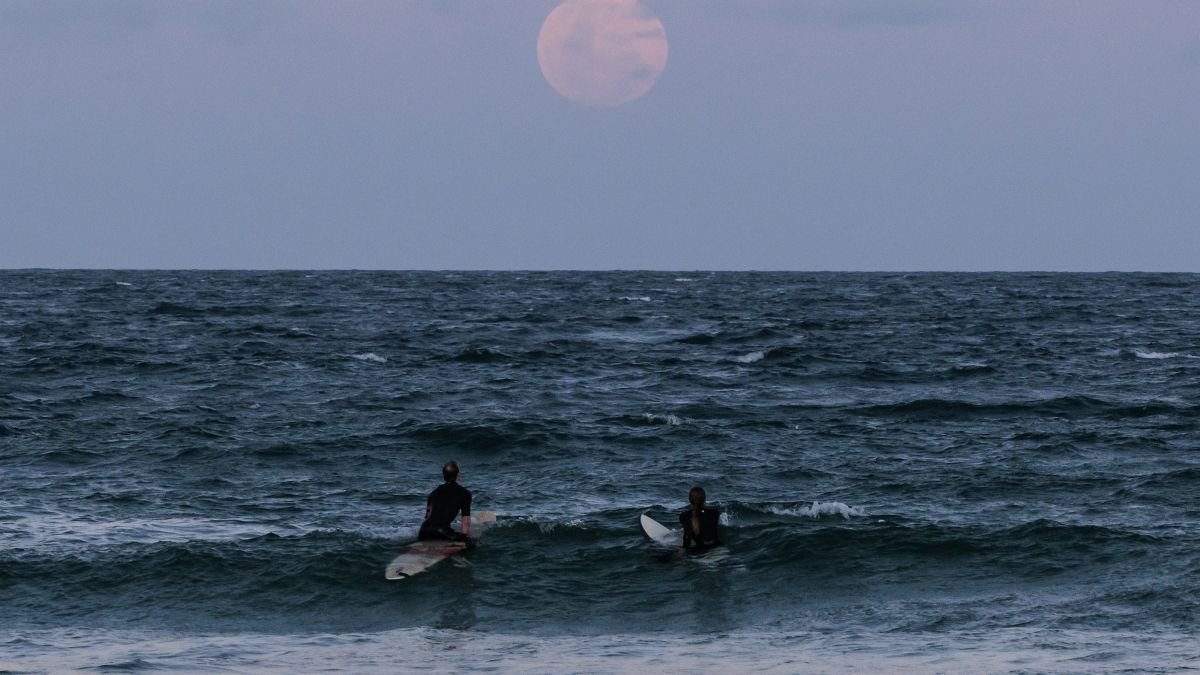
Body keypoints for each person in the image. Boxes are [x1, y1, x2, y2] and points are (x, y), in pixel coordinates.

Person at [418, 460, 472, 543]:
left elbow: (428, 516)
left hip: (423, 530)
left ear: (444, 476)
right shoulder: (465, 493)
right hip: (441, 532)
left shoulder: (433, 493)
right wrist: (464, 538)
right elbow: (466, 522)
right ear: (458, 475)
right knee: (471, 543)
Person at [679, 486, 720, 553]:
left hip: (697, 550)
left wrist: (684, 548)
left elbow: (687, 535)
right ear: (704, 499)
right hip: (715, 548)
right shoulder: (715, 513)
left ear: (689, 500)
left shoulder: (684, 516)